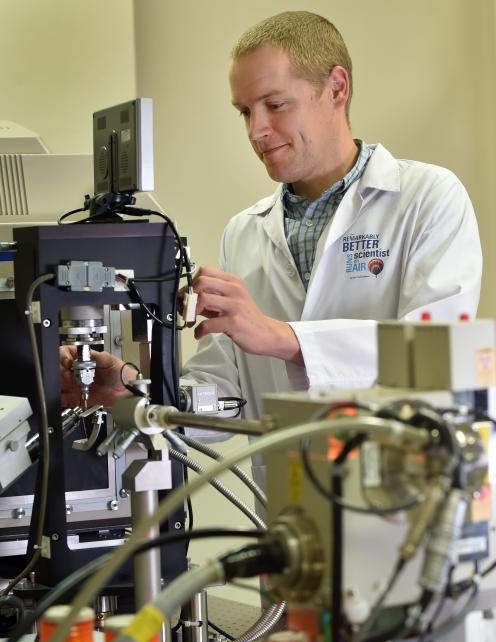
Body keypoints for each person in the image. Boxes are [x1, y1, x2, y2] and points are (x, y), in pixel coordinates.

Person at [61, 10, 482, 424]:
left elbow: (436, 355)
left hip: (405, 484)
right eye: (245, 111)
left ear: (336, 88)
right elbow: (223, 397)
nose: (255, 130)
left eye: (275, 105)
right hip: (288, 488)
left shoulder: (427, 197)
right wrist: (132, 388)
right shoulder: (244, 232)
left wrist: (281, 337)